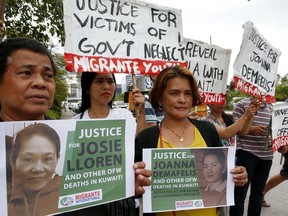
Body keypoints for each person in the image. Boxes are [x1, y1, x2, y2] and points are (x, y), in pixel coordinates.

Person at [0, 37, 151, 215]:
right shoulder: (74, 125)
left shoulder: (63, 136)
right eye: (26, 73)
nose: (40, 83)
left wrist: (121, 186)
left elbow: (84, 194)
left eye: (48, 76)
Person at [135, 65, 248, 216]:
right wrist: (136, 185)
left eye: (188, 93)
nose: (182, 100)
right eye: (174, 93)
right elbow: (135, 189)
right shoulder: (146, 138)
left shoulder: (207, 130)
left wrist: (238, 176)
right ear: (160, 98)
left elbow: (224, 174)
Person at [71, 71, 150, 215]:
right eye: (99, 81)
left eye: (110, 81)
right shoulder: (75, 123)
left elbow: (138, 145)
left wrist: (142, 111)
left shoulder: (124, 115)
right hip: (90, 203)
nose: (106, 86)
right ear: (87, 88)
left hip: (124, 199)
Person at [229, 97, 273, 216]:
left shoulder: (272, 108)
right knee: (239, 193)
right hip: (246, 153)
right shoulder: (241, 104)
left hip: (267, 156)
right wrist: (254, 129)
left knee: (258, 193)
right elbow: (236, 129)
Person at [8, 123, 61, 216]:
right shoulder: (7, 201)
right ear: (13, 161)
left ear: (57, 159)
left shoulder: (70, 191)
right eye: (28, 159)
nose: (38, 169)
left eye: (47, 159)